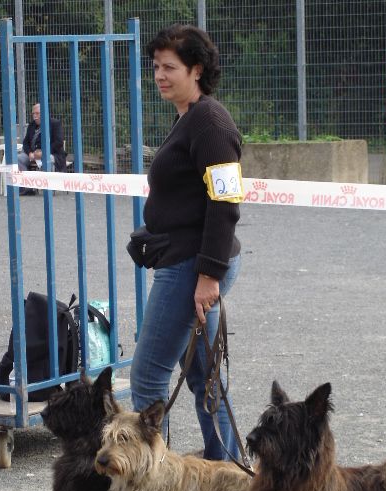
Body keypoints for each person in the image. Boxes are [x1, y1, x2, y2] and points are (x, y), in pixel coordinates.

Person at [129, 24, 243, 461]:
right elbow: (191, 199)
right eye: (155, 66)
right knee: (206, 378)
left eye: (169, 67)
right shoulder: (187, 117)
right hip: (188, 259)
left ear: (196, 69)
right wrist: (154, 230)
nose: (158, 74)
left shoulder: (209, 122)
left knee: (147, 379)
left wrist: (209, 275)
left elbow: (226, 200)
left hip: (194, 268)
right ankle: (228, 480)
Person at [18, 103, 66, 194]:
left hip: (51, 153)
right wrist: (29, 153)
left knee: (48, 159)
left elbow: (59, 142)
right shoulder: (31, 125)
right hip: (33, 154)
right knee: (18, 159)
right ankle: (26, 188)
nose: (35, 116)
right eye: (33, 114)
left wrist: (44, 152)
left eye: (37, 113)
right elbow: (25, 142)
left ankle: (48, 188)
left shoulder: (55, 124)